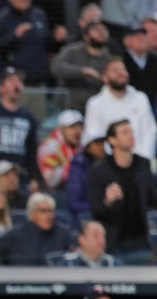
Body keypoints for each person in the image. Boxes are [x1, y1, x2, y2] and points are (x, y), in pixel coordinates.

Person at [85, 119, 157, 263]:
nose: (131, 135)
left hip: (141, 238)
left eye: (131, 131)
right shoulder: (99, 170)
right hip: (113, 241)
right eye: (125, 132)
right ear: (112, 140)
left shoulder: (143, 164)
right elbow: (95, 210)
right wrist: (108, 201)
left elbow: (153, 198)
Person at [0, 68, 43, 190]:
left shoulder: (29, 118)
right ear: (1, 87)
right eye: (11, 81)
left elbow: (32, 152)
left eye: (19, 81)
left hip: (20, 181)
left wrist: (34, 178)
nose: (17, 85)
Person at [83, 57, 157, 163]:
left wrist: (143, 160)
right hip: (109, 163)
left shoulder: (141, 98)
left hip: (141, 160)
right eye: (114, 70)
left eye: (123, 69)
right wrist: (115, 161)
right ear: (105, 78)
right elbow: (94, 135)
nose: (121, 73)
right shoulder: (95, 103)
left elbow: (150, 131)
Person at [0, 192, 74, 265]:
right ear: (32, 214)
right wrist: (3, 274)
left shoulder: (63, 234)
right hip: (22, 285)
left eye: (50, 211)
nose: (48, 215)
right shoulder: (17, 233)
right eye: (43, 211)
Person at [51, 19, 113, 111]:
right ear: (86, 36)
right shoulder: (72, 50)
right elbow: (56, 68)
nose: (101, 32)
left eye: (104, 30)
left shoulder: (109, 58)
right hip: (69, 105)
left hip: (96, 107)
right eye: (96, 30)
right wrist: (82, 71)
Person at [38, 110, 85, 191]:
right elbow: (51, 180)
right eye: (72, 127)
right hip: (55, 193)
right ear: (62, 129)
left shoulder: (81, 147)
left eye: (80, 127)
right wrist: (73, 169)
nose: (77, 131)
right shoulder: (49, 146)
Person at [53, 220, 120, 267]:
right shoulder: (67, 264)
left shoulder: (113, 263)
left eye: (103, 236)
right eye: (95, 235)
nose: (101, 240)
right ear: (82, 239)